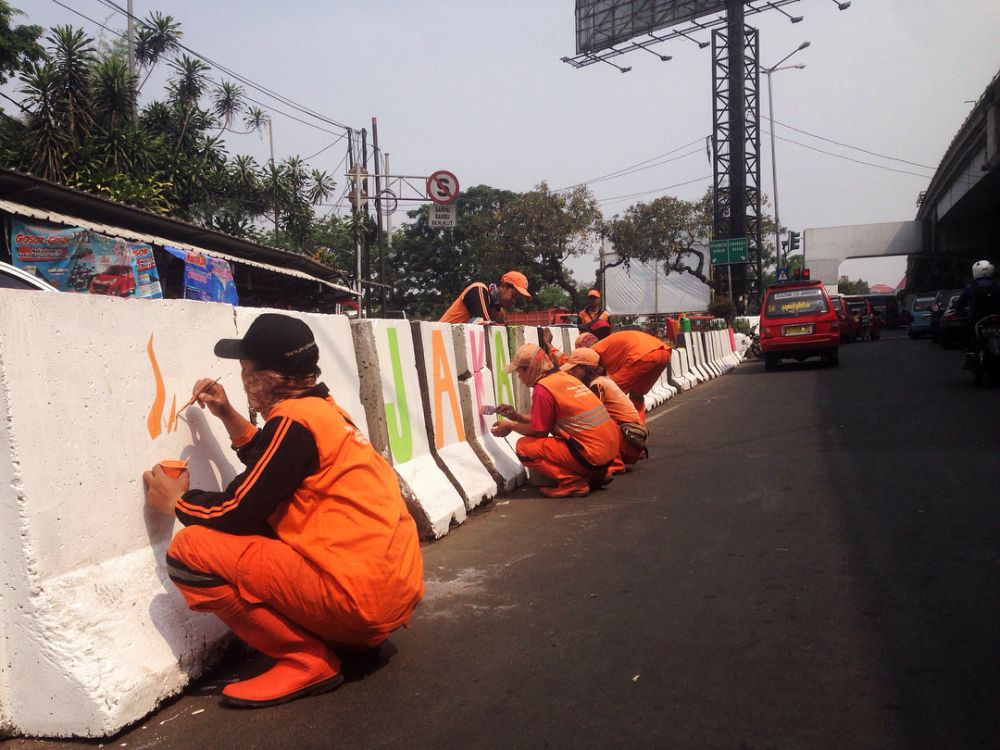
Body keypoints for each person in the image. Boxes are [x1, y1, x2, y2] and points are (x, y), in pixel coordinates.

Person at [142, 313, 424, 709]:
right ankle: (346, 638)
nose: (241, 380)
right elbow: (277, 463)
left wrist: (177, 503)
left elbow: (238, 510)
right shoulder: (323, 411)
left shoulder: (294, 422)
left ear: (265, 378)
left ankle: (305, 659)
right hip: (388, 594)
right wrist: (227, 414)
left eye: (245, 369)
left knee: (190, 552)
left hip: (357, 602)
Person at [490, 343, 619, 497]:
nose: (519, 377)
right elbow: (546, 419)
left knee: (523, 447)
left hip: (592, 456)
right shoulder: (564, 378)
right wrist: (517, 417)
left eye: (519, 372)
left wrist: (511, 426)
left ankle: (572, 483)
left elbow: (539, 431)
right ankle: (594, 475)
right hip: (610, 453)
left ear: (530, 369)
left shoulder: (543, 389)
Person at [559, 348, 648, 476]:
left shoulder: (598, 385)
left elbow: (592, 414)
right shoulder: (604, 380)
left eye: (574, 369)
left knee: (596, 422)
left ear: (585, 369)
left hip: (630, 439)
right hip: (631, 437)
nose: (572, 373)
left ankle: (615, 464)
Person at [589, 329, 672, 423]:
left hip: (643, 355)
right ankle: (638, 427)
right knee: (637, 395)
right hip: (664, 353)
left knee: (611, 393)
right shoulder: (607, 345)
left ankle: (616, 430)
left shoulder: (591, 350)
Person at [439, 270, 531, 324]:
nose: (513, 301)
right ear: (503, 286)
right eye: (513, 295)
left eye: (517, 299)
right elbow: (483, 325)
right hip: (438, 344)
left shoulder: (498, 312)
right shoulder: (478, 289)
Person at [956, 259, 1000, 363]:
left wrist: (960, 313)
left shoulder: (970, 288)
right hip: (997, 317)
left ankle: (969, 352)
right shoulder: (997, 286)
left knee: (965, 333)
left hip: (977, 319)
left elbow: (960, 306)